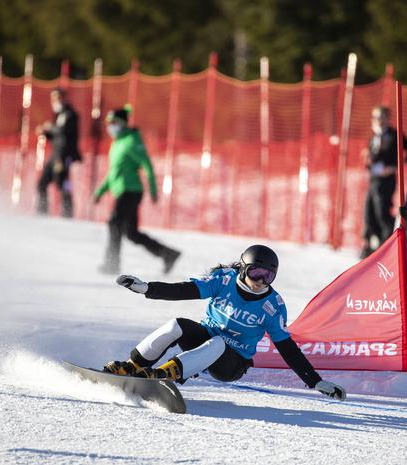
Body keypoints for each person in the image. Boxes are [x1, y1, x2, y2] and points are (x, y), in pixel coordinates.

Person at [103, 244, 347, 401]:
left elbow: (287, 348)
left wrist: (314, 381)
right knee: (177, 324)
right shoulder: (223, 280)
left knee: (219, 342)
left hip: (232, 364)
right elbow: (186, 290)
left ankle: (163, 376)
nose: (261, 281)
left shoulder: (272, 305)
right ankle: (132, 367)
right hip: (203, 345)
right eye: (256, 273)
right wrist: (148, 288)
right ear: (243, 269)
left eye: (268, 276)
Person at [94, 106, 180, 275]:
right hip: (122, 191)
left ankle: (112, 264)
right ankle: (168, 254)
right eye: (109, 123)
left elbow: (147, 165)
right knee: (131, 233)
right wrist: (100, 191)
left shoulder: (132, 141)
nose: (110, 126)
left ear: (123, 123)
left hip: (131, 191)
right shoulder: (117, 142)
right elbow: (113, 172)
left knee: (114, 223)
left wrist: (154, 189)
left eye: (114, 122)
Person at [360, 105, 407, 258]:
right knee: (368, 213)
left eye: (379, 117)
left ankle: (387, 246)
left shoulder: (394, 135)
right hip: (373, 179)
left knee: (382, 213)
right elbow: (372, 159)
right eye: (374, 117)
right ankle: (372, 245)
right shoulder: (374, 136)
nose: (376, 120)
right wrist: (367, 159)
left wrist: (395, 167)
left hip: (385, 181)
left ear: (386, 118)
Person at [36, 87, 82, 217]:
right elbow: (57, 135)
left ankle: (67, 213)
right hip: (55, 154)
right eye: (53, 98)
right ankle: (41, 212)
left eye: (58, 98)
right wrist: (45, 132)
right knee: (42, 183)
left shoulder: (69, 114)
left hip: (63, 155)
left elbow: (63, 131)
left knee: (62, 183)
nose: (55, 101)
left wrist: (49, 127)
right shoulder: (59, 114)